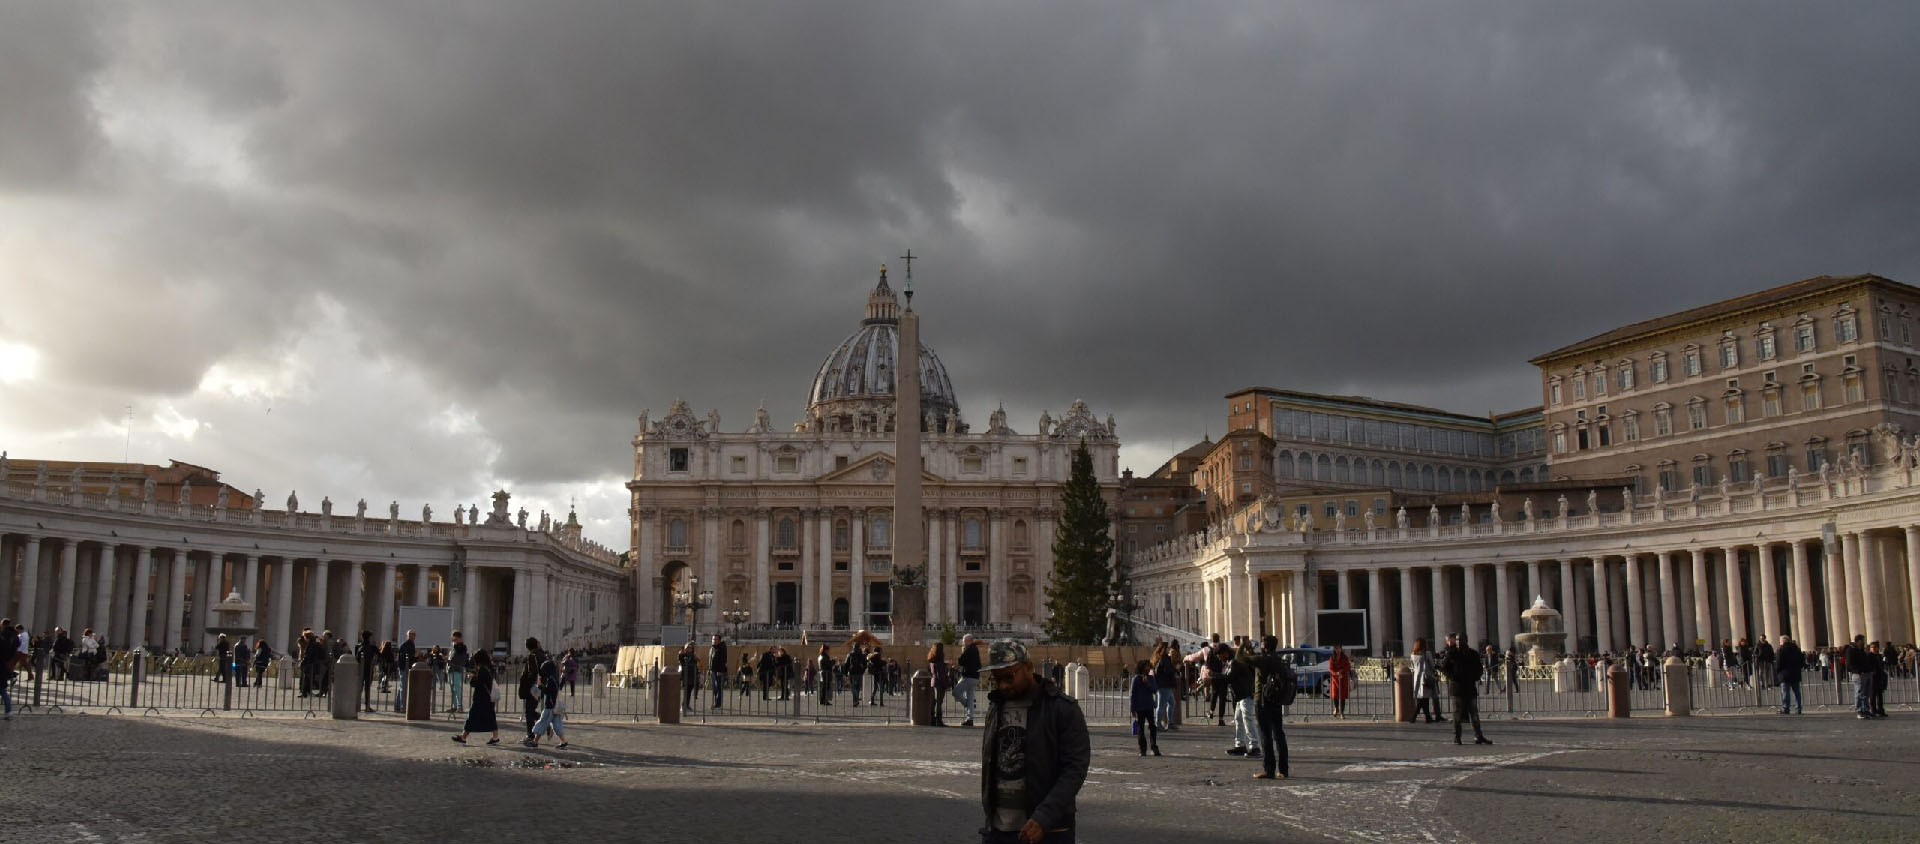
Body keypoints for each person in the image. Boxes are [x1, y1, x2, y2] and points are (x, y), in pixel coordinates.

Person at [979, 639, 1088, 843]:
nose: (1003, 685)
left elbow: (1075, 769)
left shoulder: (1063, 709)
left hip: (1047, 830)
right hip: (998, 830)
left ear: (1028, 667)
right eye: (996, 678)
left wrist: (1044, 817)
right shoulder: (996, 707)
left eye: (1009, 677)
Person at [1248, 635, 1293, 779]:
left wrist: (1247, 649)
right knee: (1279, 734)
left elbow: (1247, 661)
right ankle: (1283, 770)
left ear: (1265, 646)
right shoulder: (1278, 659)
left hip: (1262, 700)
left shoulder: (1264, 660)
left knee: (1265, 735)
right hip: (1276, 700)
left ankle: (1269, 769)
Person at [1440, 633, 1491, 745]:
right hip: (1457, 688)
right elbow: (1443, 667)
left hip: (1470, 687)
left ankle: (1478, 736)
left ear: (1466, 640)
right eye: (1457, 640)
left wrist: (1475, 677)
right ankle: (1457, 737)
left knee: (1474, 714)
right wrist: (1453, 677)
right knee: (1457, 714)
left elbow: (1479, 668)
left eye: (1460, 640)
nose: (1458, 642)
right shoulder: (1452, 653)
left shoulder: (1473, 654)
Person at [451, 650, 501, 745]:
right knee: (490, 716)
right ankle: (495, 737)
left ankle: (463, 737)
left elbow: (477, 683)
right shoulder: (489, 668)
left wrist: (472, 677)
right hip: (488, 696)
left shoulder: (482, 669)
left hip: (481, 697)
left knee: (472, 716)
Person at [526, 647, 567, 749]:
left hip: (550, 706)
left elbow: (547, 691)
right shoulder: (555, 678)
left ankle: (535, 741)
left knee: (542, 722)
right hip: (555, 707)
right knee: (556, 724)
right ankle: (564, 741)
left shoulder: (550, 680)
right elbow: (557, 687)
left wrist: (540, 686)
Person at [1226, 642, 1258, 758]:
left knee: (1247, 719)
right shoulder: (1242, 663)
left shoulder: (1239, 663)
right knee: (1239, 718)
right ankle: (1240, 745)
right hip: (1242, 695)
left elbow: (1229, 678)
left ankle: (1254, 746)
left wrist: (1213, 677)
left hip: (1246, 694)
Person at [1127, 660, 1161, 757]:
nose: (1148, 669)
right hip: (1139, 707)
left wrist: (1147, 684)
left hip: (1149, 706)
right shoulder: (1136, 679)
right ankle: (1143, 749)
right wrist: (1132, 708)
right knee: (1140, 728)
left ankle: (1154, 747)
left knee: (1152, 727)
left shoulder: (1151, 678)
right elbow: (1132, 694)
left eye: (1149, 667)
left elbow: (1155, 690)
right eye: (1146, 667)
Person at [1410, 638, 1443, 723]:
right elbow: (1432, 665)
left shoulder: (1413, 655)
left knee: (1422, 698)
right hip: (1426, 677)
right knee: (1424, 698)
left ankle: (1427, 717)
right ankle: (1415, 717)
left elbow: (1413, 667)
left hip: (1417, 678)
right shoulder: (1426, 653)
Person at [1844, 635, 1876, 719]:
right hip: (1859, 675)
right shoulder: (1850, 650)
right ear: (1858, 641)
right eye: (1862, 640)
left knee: (1866, 694)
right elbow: (1849, 664)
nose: (1864, 642)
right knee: (1859, 693)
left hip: (1867, 673)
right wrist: (1858, 671)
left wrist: (1870, 670)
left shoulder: (1861, 650)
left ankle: (1866, 710)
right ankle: (1859, 711)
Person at [1150, 641, 1178, 732]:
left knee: (1172, 703)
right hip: (1164, 685)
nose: (1169, 649)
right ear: (1164, 649)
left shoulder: (1163, 658)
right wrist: (1175, 669)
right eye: (1168, 648)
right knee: (1161, 705)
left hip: (1165, 684)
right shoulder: (1163, 659)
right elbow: (1168, 670)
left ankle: (1169, 723)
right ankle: (1157, 724)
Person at [1775, 634, 1805, 715]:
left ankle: (1786, 708)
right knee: (1797, 692)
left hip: (1785, 674)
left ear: (1782, 641)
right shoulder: (1797, 649)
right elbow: (1802, 661)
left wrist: (1777, 671)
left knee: (1786, 692)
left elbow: (1778, 663)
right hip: (1796, 673)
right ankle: (1798, 709)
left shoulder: (1780, 650)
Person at [956, 635, 982, 726]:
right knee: (970, 697)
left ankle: (968, 705)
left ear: (969, 641)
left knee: (956, 692)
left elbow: (961, 661)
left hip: (968, 676)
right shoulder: (975, 649)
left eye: (964, 641)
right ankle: (970, 719)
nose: (963, 643)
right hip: (975, 677)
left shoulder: (969, 650)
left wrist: (963, 651)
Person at [354, 631, 378, 712]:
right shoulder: (372, 647)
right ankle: (367, 706)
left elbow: (356, 658)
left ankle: (357, 705)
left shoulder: (357, 646)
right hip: (368, 669)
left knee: (359, 688)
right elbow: (380, 655)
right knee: (367, 688)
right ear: (369, 637)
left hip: (360, 669)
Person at [929, 642, 953, 726]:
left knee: (934, 702)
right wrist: (946, 684)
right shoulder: (939, 661)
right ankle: (938, 721)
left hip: (934, 682)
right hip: (939, 683)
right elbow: (940, 674)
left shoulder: (932, 658)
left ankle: (932, 720)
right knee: (939, 702)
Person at [1327, 645, 1354, 719]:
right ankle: (1336, 708)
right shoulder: (1332, 657)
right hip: (1335, 679)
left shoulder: (1344, 657)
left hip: (1343, 678)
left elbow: (1348, 666)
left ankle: (1342, 712)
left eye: (1339, 648)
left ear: (1341, 649)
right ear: (1334, 649)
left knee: (1342, 696)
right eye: (1336, 648)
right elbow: (1330, 668)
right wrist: (1336, 673)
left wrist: (1341, 671)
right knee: (1335, 695)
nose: (1338, 650)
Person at [448, 630, 471, 713]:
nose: (452, 639)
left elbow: (460, 651)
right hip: (451, 669)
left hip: (457, 669)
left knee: (457, 688)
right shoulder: (454, 646)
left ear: (458, 638)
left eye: (454, 637)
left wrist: (458, 642)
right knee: (452, 689)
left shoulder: (462, 646)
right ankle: (454, 706)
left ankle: (459, 706)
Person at [707, 634, 728, 710]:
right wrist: (709, 669)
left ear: (719, 640)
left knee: (718, 687)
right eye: (713, 639)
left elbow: (723, 660)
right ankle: (716, 702)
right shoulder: (712, 648)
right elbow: (710, 660)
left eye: (715, 639)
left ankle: (718, 704)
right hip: (712, 670)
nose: (714, 641)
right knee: (714, 688)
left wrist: (720, 671)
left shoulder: (722, 648)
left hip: (719, 671)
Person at [0, 617, 16, 719]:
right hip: (3, 665)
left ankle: (9, 711)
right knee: (3, 690)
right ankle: (9, 711)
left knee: (2, 690)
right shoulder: (9, 638)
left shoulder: (3, 637)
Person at [676, 642, 699, 709]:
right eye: (688, 647)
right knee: (686, 691)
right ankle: (684, 705)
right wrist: (680, 653)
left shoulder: (693, 655)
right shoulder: (683, 655)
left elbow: (695, 664)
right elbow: (680, 659)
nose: (689, 649)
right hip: (686, 675)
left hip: (692, 675)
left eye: (691, 648)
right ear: (686, 648)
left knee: (689, 691)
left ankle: (686, 704)